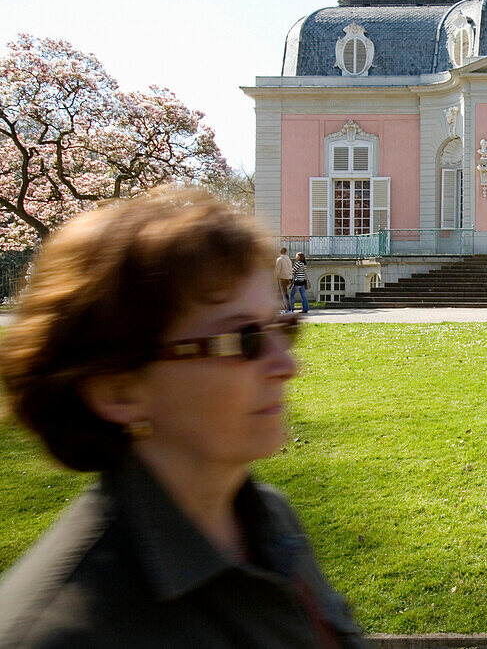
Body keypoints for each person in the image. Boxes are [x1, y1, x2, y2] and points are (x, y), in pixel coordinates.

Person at [0, 188, 365, 647]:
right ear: (119, 389)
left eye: (283, 328)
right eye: (244, 339)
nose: (288, 366)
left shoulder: (270, 521)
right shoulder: (59, 632)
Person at [275, 246, 293, 312]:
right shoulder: (289, 259)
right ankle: (280, 308)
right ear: (286, 252)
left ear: (280, 252)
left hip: (281, 277)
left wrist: (275, 276)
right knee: (281, 293)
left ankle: (288, 309)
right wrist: (290, 277)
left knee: (283, 294)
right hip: (288, 278)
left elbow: (277, 270)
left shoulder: (279, 259)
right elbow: (291, 269)